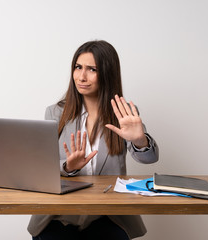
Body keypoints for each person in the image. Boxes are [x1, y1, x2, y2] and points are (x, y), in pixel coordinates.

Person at [27, 40, 159, 240]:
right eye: (78, 67)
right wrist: (68, 167)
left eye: (92, 69)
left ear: (107, 74)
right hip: (59, 214)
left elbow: (149, 159)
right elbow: (41, 167)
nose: (81, 76)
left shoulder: (124, 114)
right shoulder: (55, 112)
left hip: (108, 215)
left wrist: (140, 140)